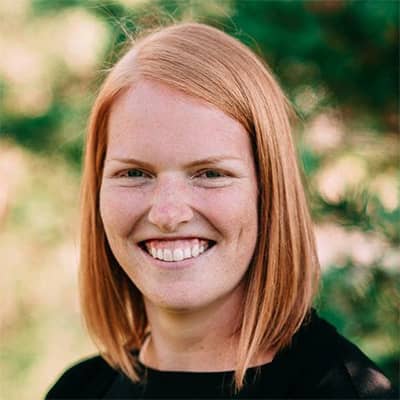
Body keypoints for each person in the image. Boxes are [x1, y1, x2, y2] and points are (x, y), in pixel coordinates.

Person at [45, 22, 395, 399]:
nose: (167, 213)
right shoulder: (79, 390)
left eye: (210, 173)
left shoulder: (346, 392)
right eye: (134, 173)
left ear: (268, 192)